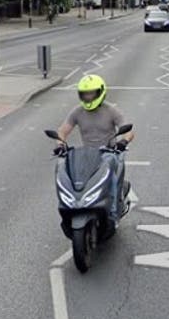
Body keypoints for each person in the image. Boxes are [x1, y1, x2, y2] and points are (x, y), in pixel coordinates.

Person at [54, 75, 135, 219]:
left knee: (112, 179)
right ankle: (76, 205)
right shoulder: (77, 112)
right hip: (88, 154)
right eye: (85, 94)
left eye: (91, 93)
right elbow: (63, 131)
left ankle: (114, 212)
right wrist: (60, 144)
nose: (88, 97)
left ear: (100, 92)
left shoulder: (111, 111)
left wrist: (123, 142)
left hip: (110, 152)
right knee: (75, 176)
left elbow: (128, 131)